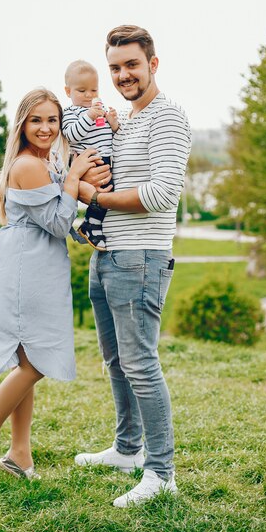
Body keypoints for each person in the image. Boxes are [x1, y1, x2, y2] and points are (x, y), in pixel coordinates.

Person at [76, 25, 192, 507]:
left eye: (132, 65)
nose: (123, 75)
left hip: (140, 259)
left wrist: (93, 195)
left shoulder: (167, 118)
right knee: (116, 362)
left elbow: (162, 193)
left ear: (153, 64)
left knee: (141, 365)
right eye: (115, 68)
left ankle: (160, 472)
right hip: (107, 256)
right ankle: (128, 449)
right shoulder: (127, 120)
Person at [0, 88, 97, 480]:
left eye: (52, 120)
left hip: (36, 261)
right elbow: (56, 221)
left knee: (27, 359)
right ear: (22, 123)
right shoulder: (28, 165)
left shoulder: (45, 161)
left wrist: (80, 230)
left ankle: (19, 454)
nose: (45, 128)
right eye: (36, 120)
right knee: (34, 363)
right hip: (25, 267)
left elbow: (55, 219)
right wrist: (74, 176)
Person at [62, 60, 119, 251]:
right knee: (103, 194)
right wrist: (89, 116)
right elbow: (71, 134)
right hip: (89, 160)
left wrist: (112, 123)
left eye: (94, 90)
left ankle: (90, 224)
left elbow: (107, 135)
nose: (89, 95)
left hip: (105, 158)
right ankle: (92, 226)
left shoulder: (98, 110)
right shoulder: (71, 113)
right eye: (82, 91)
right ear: (68, 91)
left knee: (108, 192)